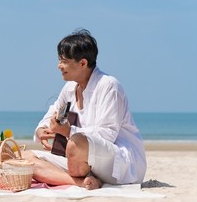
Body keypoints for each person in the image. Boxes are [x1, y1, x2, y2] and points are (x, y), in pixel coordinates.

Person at [23, 29, 147, 190]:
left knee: (75, 143)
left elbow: (107, 134)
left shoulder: (108, 85)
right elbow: (52, 113)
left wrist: (68, 131)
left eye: (64, 61)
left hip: (121, 162)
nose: (59, 66)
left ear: (83, 63)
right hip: (82, 161)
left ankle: (84, 176)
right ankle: (82, 182)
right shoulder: (69, 88)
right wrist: (42, 130)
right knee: (23, 158)